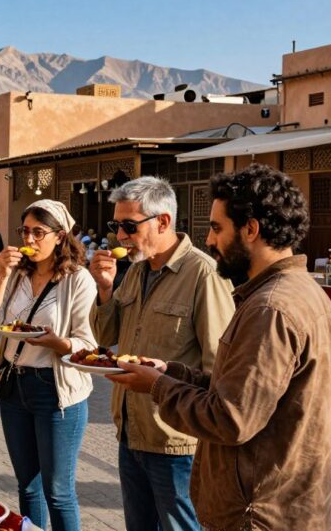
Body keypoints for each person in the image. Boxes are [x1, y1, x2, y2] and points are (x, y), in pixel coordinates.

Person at [107, 164, 331, 531]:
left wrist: (157, 386)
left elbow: (231, 419)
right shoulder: (292, 293)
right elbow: (238, 387)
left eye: (217, 228)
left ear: (251, 229)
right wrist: (173, 373)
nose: (210, 240)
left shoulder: (271, 308)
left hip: (259, 511)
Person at [89, 177, 234, 531]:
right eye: (115, 226)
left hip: (176, 442)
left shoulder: (204, 275)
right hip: (131, 430)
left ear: (163, 221)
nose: (119, 236)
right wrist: (105, 289)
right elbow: (106, 336)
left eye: (128, 226)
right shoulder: (137, 271)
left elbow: (221, 366)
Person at [0, 200, 97, 531]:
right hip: (14, 387)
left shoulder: (79, 280)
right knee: (27, 487)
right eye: (24, 231)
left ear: (60, 237)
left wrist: (56, 342)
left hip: (56, 393)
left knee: (57, 492)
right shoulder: (16, 275)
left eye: (38, 232)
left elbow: (88, 344)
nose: (29, 240)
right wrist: (0, 275)